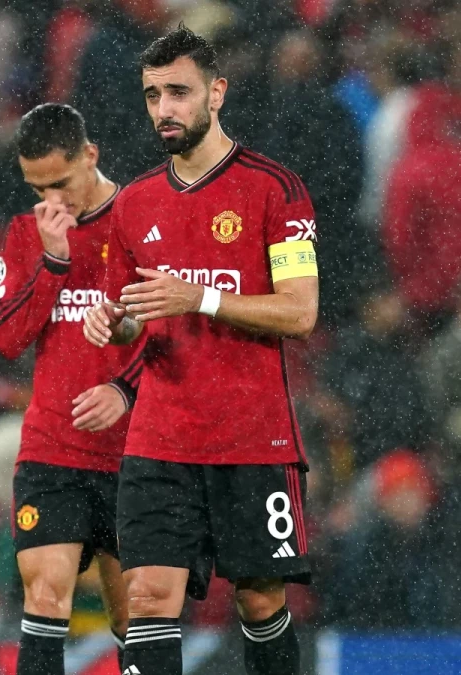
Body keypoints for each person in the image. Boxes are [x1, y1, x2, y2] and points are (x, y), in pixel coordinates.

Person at [83, 26, 318, 675]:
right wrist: (116, 322)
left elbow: (301, 311)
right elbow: (132, 317)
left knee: (259, 597)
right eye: (153, 94)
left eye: (179, 91)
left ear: (216, 92)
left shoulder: (276, 189)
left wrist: (202, 299)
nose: (164, 107)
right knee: (149, 595)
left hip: (252, 437)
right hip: (160, 440)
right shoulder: (132, 206)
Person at [0, 102, 139, 675]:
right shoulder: (28, 233)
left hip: (135, 451)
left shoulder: (140, 220)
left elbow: (173, 334)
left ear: (91, 155)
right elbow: (4, 338)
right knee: (46, 595)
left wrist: (123, 389)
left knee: (137, 619)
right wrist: (53, 262)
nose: (52, 200)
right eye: (37, 187)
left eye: (61, 182)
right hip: (54, 448)